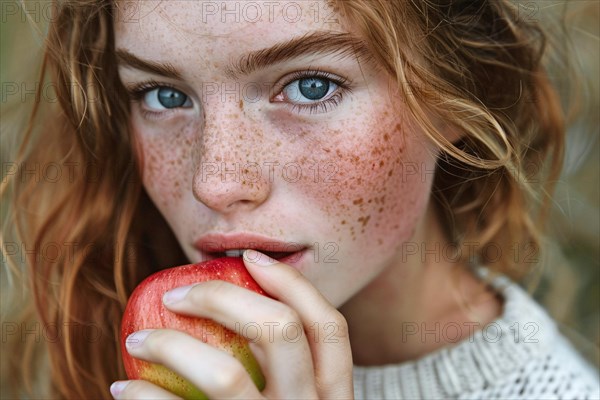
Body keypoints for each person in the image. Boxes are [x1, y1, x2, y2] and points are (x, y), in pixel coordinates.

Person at [1, 0, 599, 399]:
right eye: (162, 95)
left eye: (310, 86)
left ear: (456, 97)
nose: (216, 181)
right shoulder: (115, 350)